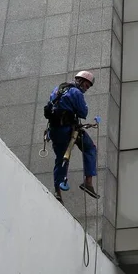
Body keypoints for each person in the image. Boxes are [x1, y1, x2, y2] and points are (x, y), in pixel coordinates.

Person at [48, 70, 99, 203]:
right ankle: (88, 182)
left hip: (54, 130)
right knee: (90, 148)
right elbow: (83, 112)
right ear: (80, 81)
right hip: (69, 130)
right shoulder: (76, 93)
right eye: (86, 85)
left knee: (61, 159)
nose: (86, 89)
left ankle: (57, 191)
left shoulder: (58, 89)